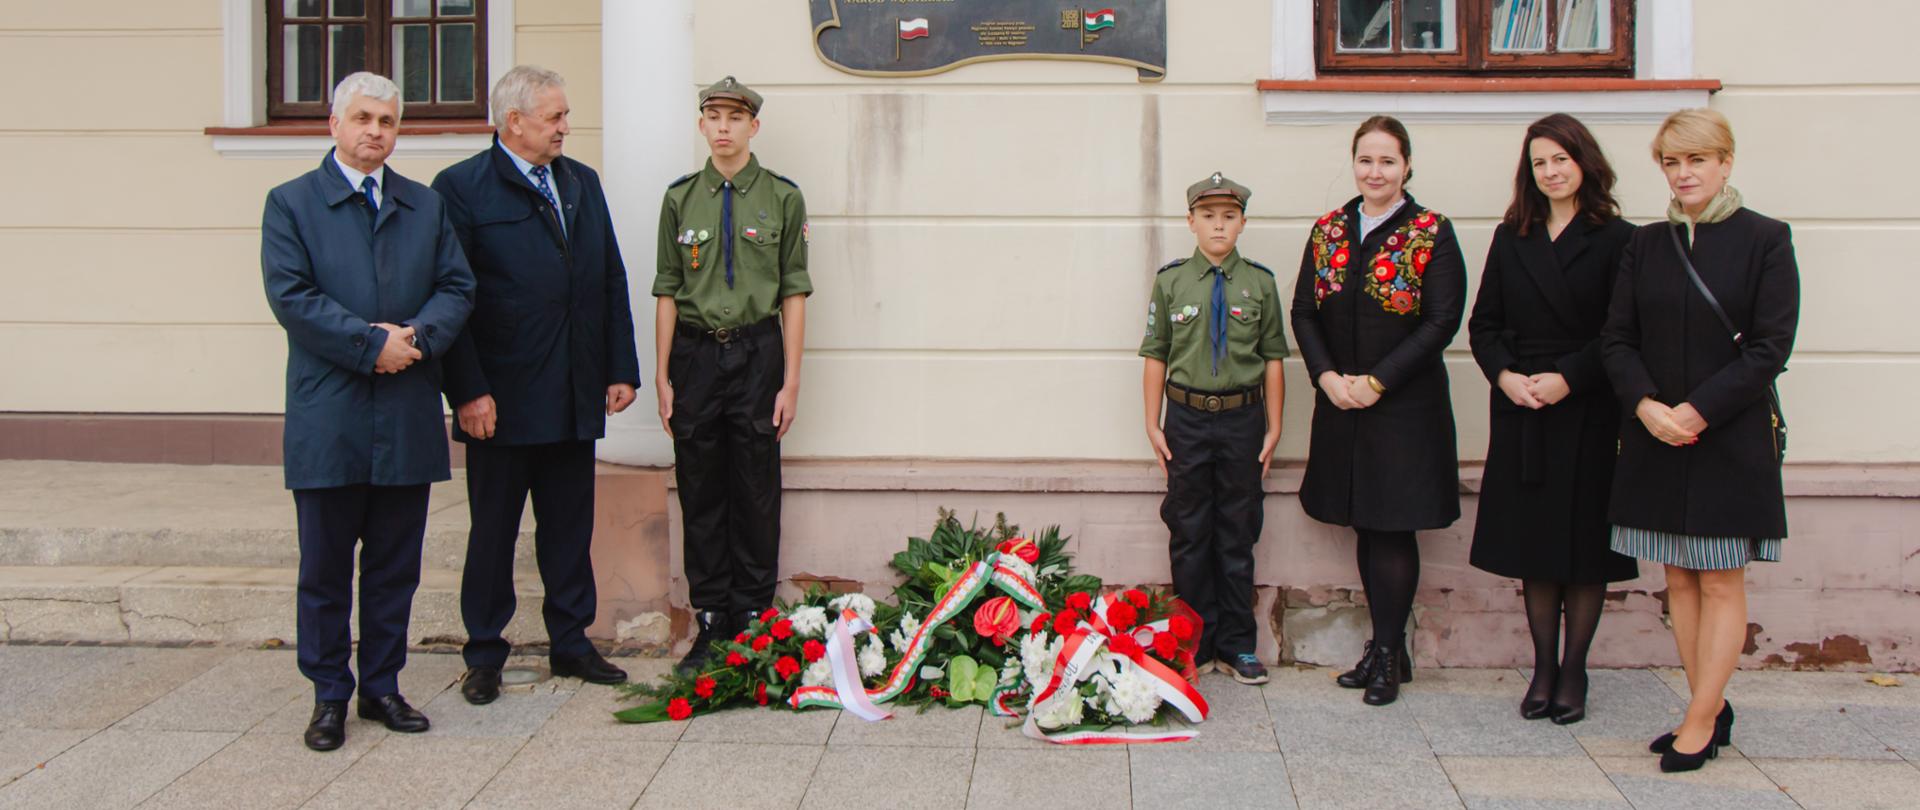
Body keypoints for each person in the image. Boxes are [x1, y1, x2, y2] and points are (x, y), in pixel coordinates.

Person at [259, 72, 474, 751]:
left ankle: (383, 684)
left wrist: (414, 342)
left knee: (392, 566)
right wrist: (369, 344)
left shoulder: (423, 206)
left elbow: (456, 286)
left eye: (386, 120)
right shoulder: (292, 204)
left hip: (406, 414)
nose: (375, 130)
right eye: (362, 118)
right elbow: (292, 297)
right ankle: (329, 695)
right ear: (334, 123)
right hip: (331, 416)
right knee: (324, 569)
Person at [432, 65, 641, 704]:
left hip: (574, 390)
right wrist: (466, 390)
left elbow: (609, 275)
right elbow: (451, 296)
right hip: (500, 400)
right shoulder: (461, 188)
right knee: (493, 531)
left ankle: (571, 643)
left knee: (568, 528)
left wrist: (619, 367)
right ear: (513, 121)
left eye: (564, 115)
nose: (565, 127)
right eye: (554, 117)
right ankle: (485, 653)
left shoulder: (580, 182)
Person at [1602, 108, 1798, 772]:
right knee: (1678, 578)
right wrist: (1648, 406)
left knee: (1719, 578)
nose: (1684, 174)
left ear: (1725, 162)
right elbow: (1617, 339)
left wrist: (1697, 411)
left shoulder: (1766, 239)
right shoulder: (1646, 244)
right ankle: (1707, 706)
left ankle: (1698, 718)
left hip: (1728, 438)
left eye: (1696, 160)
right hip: (1656, 433)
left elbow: (1770, 347)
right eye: (1671, 162)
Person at [1467, 113, 1639, 725]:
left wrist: (1571, 377)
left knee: (1583, 546)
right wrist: (1507, 376)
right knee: (1536, 545)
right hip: (1523, 405)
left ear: (1583, 162)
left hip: (1588, 405)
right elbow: (1482, 323)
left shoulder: (1620, 239)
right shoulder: (1513, 235)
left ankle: (1575, 670)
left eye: (1560, 159)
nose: (1550, 171)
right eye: (1539, 162)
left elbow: (1623, 330)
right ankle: (1542, 666)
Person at [1290, 115, 1465, 707]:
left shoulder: (1431, 232)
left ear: (1407, 166)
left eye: (1387, 161)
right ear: (1354, 162)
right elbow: (1304, 313)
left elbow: (1442, 321)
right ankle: (1387, 644)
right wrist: (1328, 376)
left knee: (1393, 524)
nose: (1375, 172)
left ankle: (1388, 652)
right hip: (1342, 402)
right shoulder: (1329, 230)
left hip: (1404, 408)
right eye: (1366, 160)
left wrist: (1379, 382)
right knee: (1365, 521)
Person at [653, 77, 812, 672]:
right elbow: (667, 290)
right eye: (713, 116)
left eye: (734, 117)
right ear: (701, 126)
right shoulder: (680, 199)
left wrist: (791, 379)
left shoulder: (782, 197)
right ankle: (711, 617)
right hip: (694, 355)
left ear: (753, 127)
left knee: (754, 483)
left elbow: (794, 292)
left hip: (756, 353)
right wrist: (663, 376)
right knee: (700, 486)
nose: (723, 127)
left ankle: (752, 614)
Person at [1139, 173, 1290, 685]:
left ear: (1243, 223)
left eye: (1229, 216)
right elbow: (1156, 354)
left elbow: (1273, 358)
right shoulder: (1172, 281)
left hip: (1243, 419)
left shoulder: (1260, 284)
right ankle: (1193, 644)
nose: (1218, 225)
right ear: (1191, 222)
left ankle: (1236, 645)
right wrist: (1152, 423)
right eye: (1208, 216)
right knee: (1188, 530)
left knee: (1237, 531)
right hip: (1185, 418)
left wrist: (1274, 426)